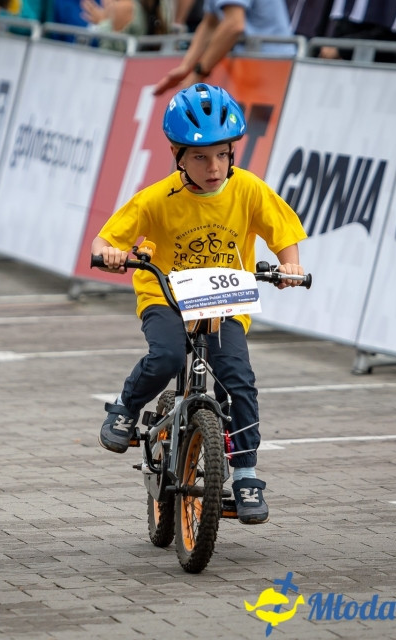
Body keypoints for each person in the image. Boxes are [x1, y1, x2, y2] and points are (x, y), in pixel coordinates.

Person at [92, 83, 306, 524]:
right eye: (199, 156)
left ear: (233, 153)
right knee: (168, 355)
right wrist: (110, 252)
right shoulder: (158, 197)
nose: (214, 167)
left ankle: (245, 473)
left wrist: (289, 267)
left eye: (223, 155)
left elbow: (282, 230)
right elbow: (106, 238)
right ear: (176, 154)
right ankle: (125, 408)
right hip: (167, 296)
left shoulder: (247, 190)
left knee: (238, 380)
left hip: (222, 301)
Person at [153, 0, 294, 95]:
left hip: (271, 66)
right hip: (259, 63)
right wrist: (185, 67)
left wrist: (198, 72)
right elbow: (210, 23)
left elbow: (234, 25)